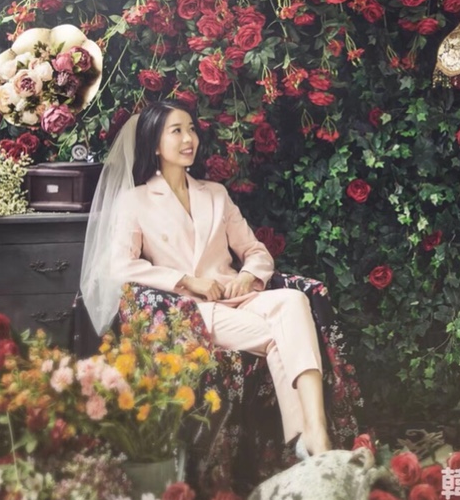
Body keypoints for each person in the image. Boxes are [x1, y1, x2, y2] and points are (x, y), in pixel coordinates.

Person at [81, 100, 332, 458]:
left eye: (191, 129)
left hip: (237, 297)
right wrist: (186, 280)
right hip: (193, 312)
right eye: (177, 131)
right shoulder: (135, 201)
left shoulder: (215, 194)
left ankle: (312, 435)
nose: (189, 139)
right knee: (284, 334)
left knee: (294, 300)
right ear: (155, 144)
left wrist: (247, 276)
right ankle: (312, 442)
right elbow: (119, 266)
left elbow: (256, 251)